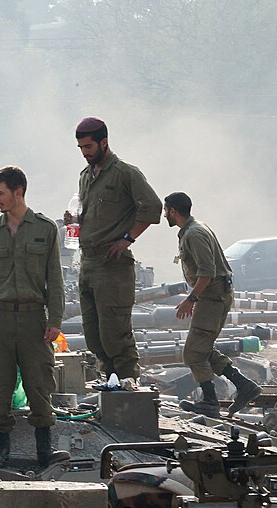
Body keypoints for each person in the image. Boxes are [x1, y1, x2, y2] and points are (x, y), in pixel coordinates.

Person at [0, 166, 69, 468]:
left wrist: (56, 319)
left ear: (18, 192)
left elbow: (55, 278)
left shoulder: (45, 229)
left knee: (39, 383)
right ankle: (1, 450)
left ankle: (44, 450)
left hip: (33, 319)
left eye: (0, 193)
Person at [66, 117, 162, 386]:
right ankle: (110, 381)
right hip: (88, 261)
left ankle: (129, 383)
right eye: (80, 147)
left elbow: (152, 207)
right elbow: (89, 213)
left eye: (88, 146)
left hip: (113, 264)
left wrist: (127, 239)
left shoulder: (125, 173)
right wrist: (74, 220)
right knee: (94, 333)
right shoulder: (86, 176)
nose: (85, 152)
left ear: (104, 142)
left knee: (115, 332)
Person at [164, 192, 262, 418]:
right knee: (203, 347)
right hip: (214, 296)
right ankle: (244, 385)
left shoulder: (194, 234)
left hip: (212, 297)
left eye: (165, 210)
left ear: (173, 211)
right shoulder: (195, 228)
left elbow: (207, 273)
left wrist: (191, 299)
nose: (164, 214)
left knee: (193, 354)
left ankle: (210, 401)